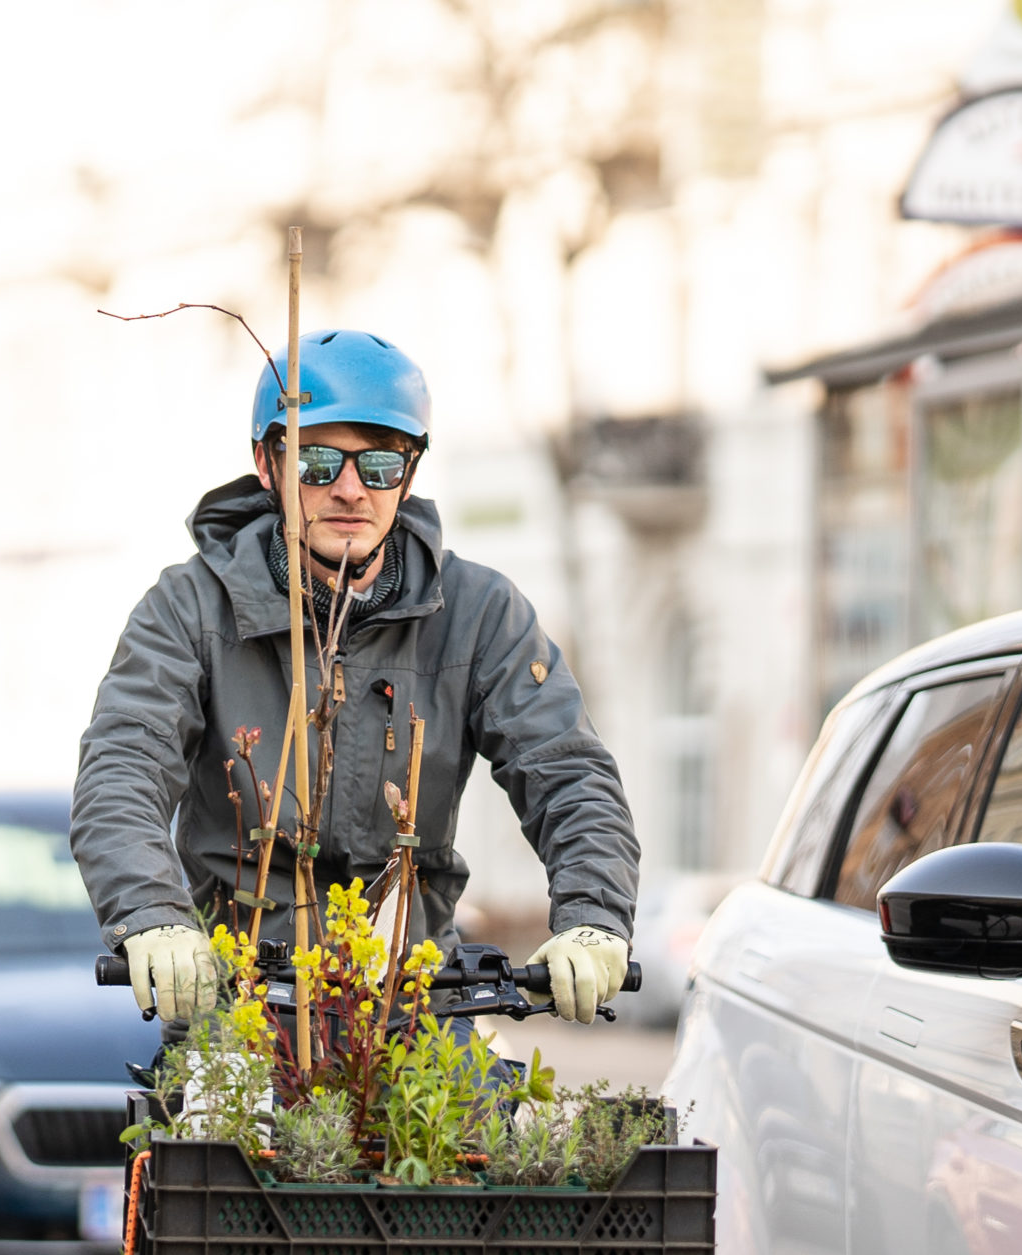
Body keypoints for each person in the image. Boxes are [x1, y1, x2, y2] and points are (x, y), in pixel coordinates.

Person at [71, 329, 638, 1027]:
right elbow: (123, 764)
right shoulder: (187, 609)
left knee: (482, 1133)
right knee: (201, 1136)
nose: (348, 491)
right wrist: (152, 917)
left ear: (410, 471)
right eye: (313, 462)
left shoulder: (479, 613)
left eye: (378, 465)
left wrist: (593, 916)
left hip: (413, 1002)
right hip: (239, 1002)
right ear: (264, 462)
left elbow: (567, 772)